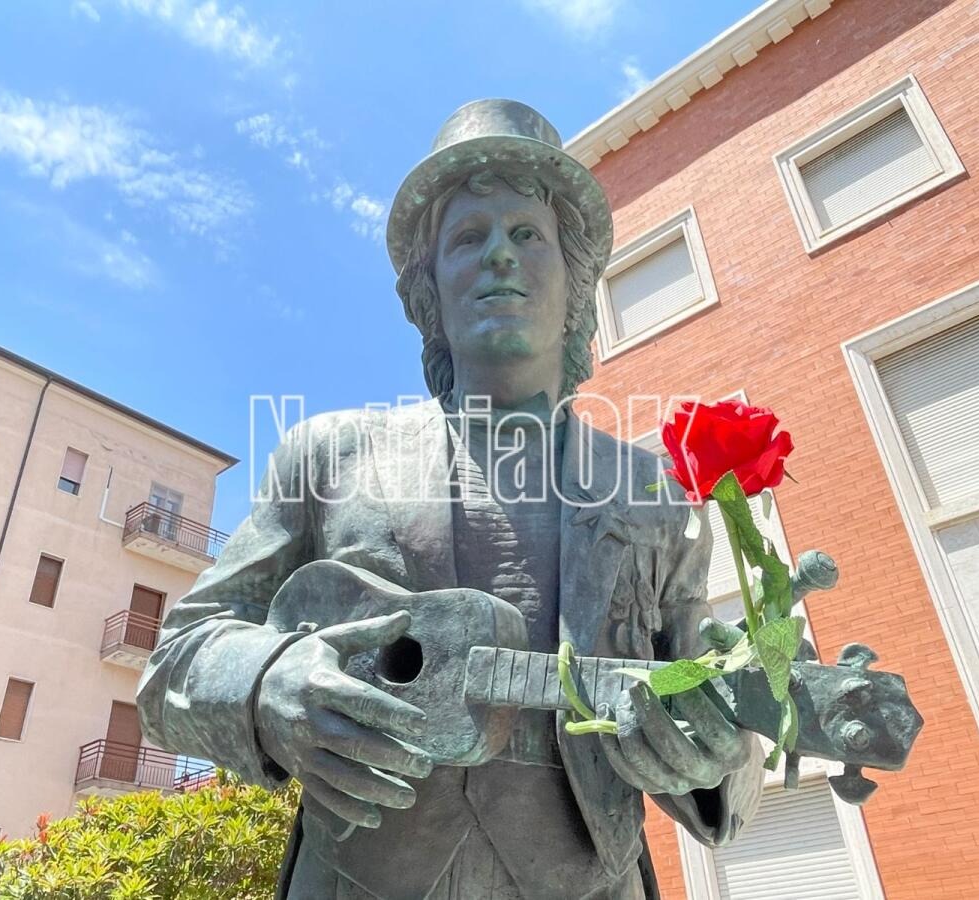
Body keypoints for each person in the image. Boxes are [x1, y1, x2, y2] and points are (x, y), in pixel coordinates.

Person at [137, 99, 764, 900]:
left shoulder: (655, 494)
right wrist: (266, 685)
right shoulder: (328, 454)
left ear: (575, 281)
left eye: (526, 234)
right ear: (428, 289)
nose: (499, 256)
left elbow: (712, 709)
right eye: (468, 238)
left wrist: (716, 757)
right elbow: (171, 667)